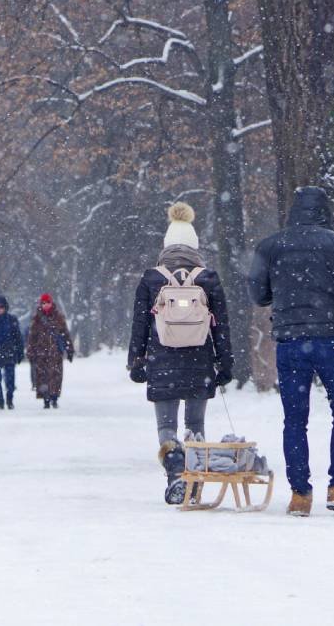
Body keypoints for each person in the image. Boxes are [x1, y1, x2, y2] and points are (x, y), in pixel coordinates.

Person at [248, 185, 334, 518]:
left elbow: (259, 295)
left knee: (295, 419)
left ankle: (300, 494)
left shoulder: (270, 247)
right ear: (324, 211)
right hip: (333, 339)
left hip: (291, 342)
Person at [128, 202, 233, 504]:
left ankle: (175, 473)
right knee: (196, 425)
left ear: (166, 245)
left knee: (166, 426)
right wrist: (225, 363)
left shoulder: (152, 279)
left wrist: (136, 361)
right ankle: (195, 478)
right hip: (200, 362)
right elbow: (221, 326)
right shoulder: (208, 278)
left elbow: (139, 325)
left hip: (162, 361)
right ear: (194, 245)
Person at [26, 293, 74, 408]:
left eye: (47, 303)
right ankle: (46, 398)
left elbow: (65, 334)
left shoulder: (59, 317)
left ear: (51, 303)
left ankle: (54, 397)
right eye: (43, 303)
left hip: (55, 353)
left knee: (56, 376)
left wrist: (69, 349)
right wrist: (31, 351)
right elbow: (32, 337)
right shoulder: (37, 318)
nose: (45, 305)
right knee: (43, 377)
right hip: (41, 353)